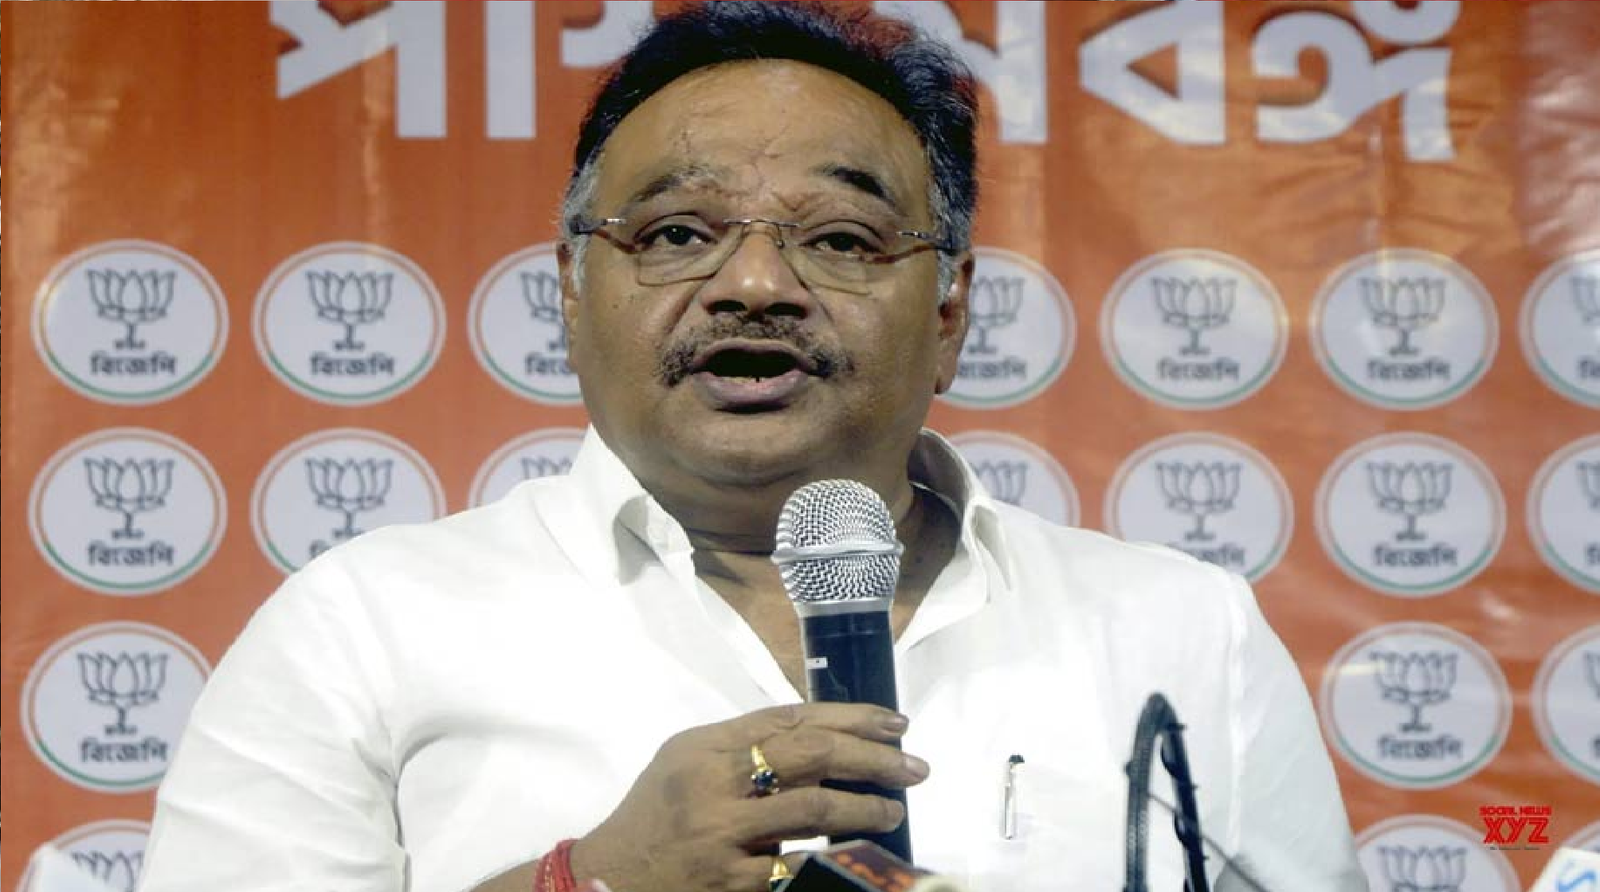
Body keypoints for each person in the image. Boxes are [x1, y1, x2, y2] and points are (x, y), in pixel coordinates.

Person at [138, 4, 1366, 892]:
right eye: (679, 232)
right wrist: (589, 881)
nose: (756, 285)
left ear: (948, 313)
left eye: (840, 240)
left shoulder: (1176, 627)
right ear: (571, 290)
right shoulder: (362, 624)